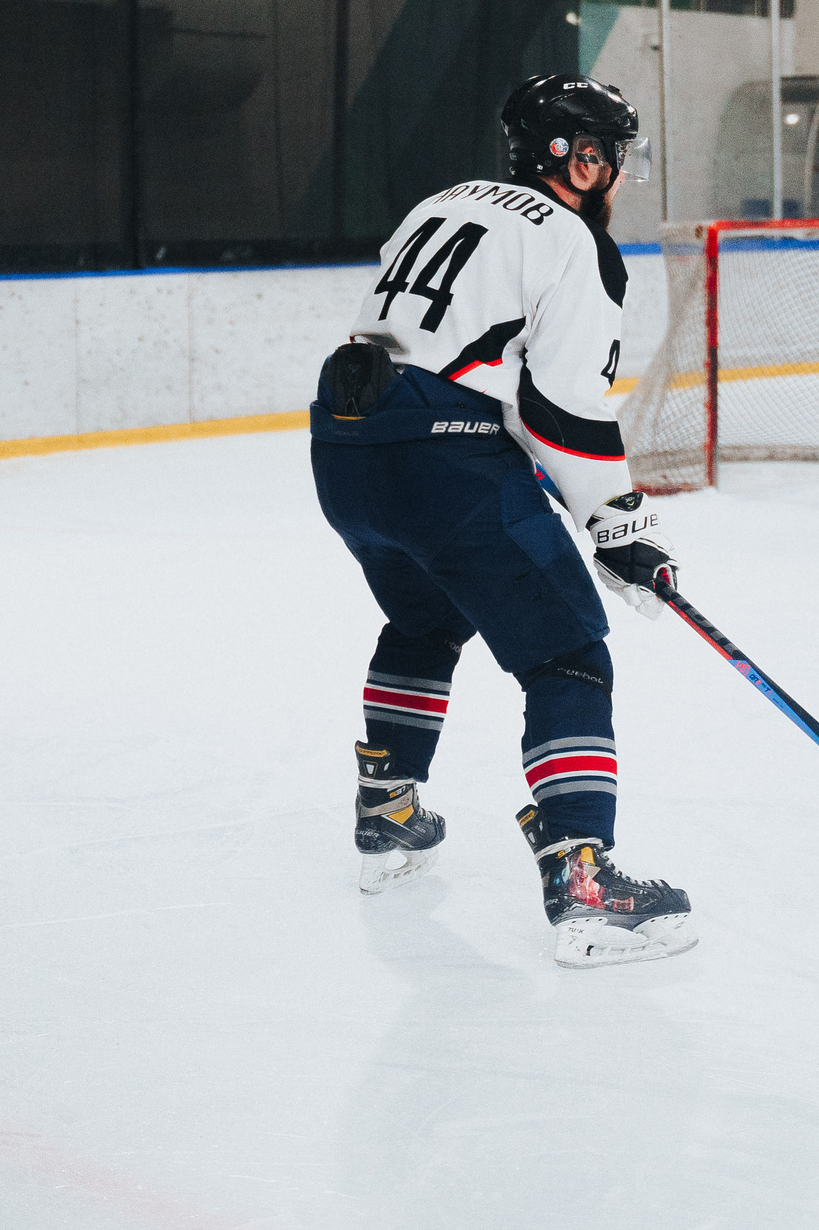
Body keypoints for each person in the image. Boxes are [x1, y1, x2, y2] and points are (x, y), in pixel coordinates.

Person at [308, 72, 696, 969]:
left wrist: (588, 508)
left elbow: (471, 370)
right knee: (565, 650)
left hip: (345, 444)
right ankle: (584, 878)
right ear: (572, 155)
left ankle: (389, 811)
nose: (617, 175)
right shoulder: (571, 240)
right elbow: (558, 407)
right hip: (443, 461)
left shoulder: (437, 204)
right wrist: (619, 522)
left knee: (424, 615)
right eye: (608, 156)